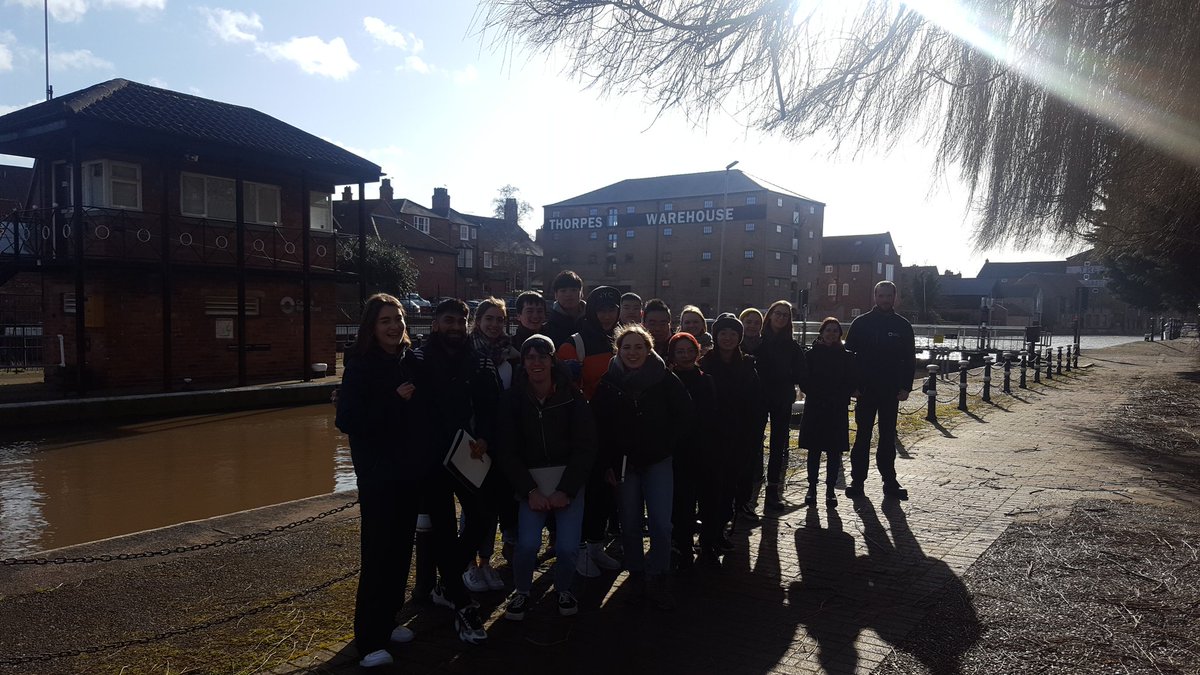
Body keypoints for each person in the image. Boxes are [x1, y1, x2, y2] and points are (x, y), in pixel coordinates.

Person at [334, 294, 426, 668]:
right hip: (378, 475)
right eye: (386, 320)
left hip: (406, 472)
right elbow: (348, 420)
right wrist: (393, 400)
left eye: (399, 319)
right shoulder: (360, 365)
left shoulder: (407, 360)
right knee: (377, 555)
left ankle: (388, 623)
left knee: (401, 551)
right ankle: (368, 639)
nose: (394, 326)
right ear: (372, 327)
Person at [407, 299, 498, 644]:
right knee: (443, 527)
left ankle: (447, 582)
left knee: (482, 515)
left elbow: (490, 404)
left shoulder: (480, 358)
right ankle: (460, 600)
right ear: (435, 323)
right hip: (430, 456)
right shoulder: (415, 358)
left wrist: (485, 436)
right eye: (449, 321)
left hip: (466, 451)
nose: (456, 327)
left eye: (461, 321)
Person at [495, 335, 598, 621]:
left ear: (552, 361)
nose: (536, 362)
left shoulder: (573, 398)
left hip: (568, 481)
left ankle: (564, 588)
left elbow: (586, 446)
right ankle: (522, 591)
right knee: (526, 545)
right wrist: (529, 490)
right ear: (523, 363)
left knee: (567, 547)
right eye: (530, 357)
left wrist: (567, 489)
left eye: (542, 356)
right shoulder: (512, 400)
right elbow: (507, 450)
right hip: (531, 484)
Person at [592, 325, 692, 609]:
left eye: (638, 347)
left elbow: (684, 415)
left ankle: (659, 573)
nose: (632, 353)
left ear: (649, 350)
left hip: (658, 460)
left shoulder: (665, 379)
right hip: (624, 464)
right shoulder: (608, 383)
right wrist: (607, 464)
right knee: (630, 523)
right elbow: (599, 428)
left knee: (661, 522)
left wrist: (665, 445)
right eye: (627, 347)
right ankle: (636, 572)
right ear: (618, 351)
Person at [556, 285, 624, 576]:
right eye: (601, 309)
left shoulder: (623, 340)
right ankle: (580, 548)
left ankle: (596, 544)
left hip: (615, 430)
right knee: (586, 489)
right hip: (586, 430)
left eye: (612, 309)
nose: (607, 315)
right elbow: (562, 387)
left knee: (607, 490)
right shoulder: (576, 343)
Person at [461, 298, 520, 593]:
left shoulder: (510, 355)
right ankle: (467, 563)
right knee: (473, 506)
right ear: (477, 320)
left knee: (494, 504)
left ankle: (486, 562)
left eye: (500, 319)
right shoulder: (467, 352)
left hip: (500, 440)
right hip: (473, 441)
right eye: (489, 319)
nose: (495, 325)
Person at [698, 313, 766, 554]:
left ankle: (719, 531)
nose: (728, 338)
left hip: (738, 438)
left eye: (733, 334)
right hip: (710, 438)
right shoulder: (704, 365)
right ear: (716, 336)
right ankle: (707, 536)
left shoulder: (747, 366)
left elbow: (756, 406)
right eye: (723, 333)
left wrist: (753, 437)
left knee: (730, 490)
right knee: (710, 491)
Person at [844, 281, 916, 500]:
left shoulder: (902, 325)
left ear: (895, 297)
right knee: (862, 437)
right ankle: (857, 482)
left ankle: (889, 482)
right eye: (881, 295)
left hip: (890, 391)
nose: (885, 299)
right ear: (875, 296)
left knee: (887, 438)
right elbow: (848, 357)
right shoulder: (861, 323)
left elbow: (909, 359)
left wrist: (906, 387)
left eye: (889, 296)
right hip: (865, 390)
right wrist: (852, 386)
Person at [665, 331, 717, 573]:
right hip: (678, 451)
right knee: (681, 502)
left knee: (708, 499)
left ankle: (708, 543)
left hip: (704, 448)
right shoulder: (667, 381)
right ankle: (682, 546)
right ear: (672, 355)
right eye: (680, 351)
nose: (685, 355)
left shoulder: (707, 380)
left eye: (689, 350)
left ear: (697, 352)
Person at [754, 300, 806, 513]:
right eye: (778, 313)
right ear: (770, 315)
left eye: (785, 315)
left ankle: (773, 490)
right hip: (758, 397)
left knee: (778, 445)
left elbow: (801, 372)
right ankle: (754, 482)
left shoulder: (792, 346)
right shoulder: (757, 341)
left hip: (782, 398)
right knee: (755, 439)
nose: (781, 318)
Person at [799, 318, 854, 507]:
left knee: (834, 451)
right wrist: (818, 393)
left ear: (840, 334)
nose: (831, 334)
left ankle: (831, 489)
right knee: (814, 451)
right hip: (816, 406)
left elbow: (850, 381)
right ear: (821, 333)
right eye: (828, 330)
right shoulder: (811, 355)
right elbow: (804, 380)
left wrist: (839, 395)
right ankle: (812, 487)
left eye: (835, 331)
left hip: (836, 408)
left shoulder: (846, 357)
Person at [544, 270, 586, 347]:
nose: (568, 294)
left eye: (573, 290)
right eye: (563, 291)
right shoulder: (547, 327)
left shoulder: (591, 321)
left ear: (581, 293)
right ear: (556, 295)